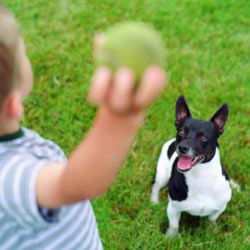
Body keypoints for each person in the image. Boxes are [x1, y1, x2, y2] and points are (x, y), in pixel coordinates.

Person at [0, 3, 166, 250]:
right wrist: (120, 118)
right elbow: (74, 185)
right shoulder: (9, 175)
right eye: (22, 52)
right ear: (13, 104)